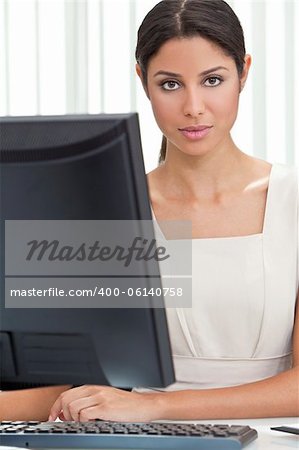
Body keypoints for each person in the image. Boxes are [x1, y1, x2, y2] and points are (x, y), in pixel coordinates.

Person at [1, 0, 298, 422]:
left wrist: (154, 405)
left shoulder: (293, 200)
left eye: (212, 80)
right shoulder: (106, 210)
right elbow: (66, 387)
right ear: (142, 80)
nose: (193, 106)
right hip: (141, 436)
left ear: (244, 71)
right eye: (171, 84)